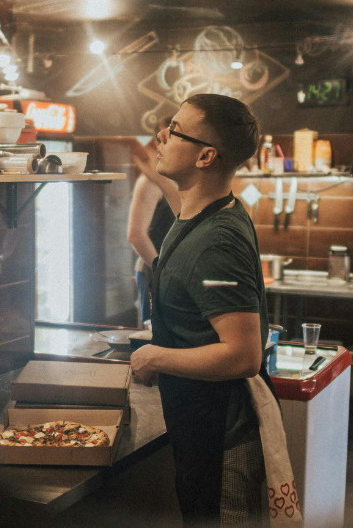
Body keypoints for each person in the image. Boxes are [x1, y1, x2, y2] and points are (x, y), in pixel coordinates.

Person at [129, 94, 269, 527]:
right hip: (199, 428)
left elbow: (243, 354)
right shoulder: (198, 213)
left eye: (175, 130)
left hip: (222, 438)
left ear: (207, 156)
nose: (161, 136)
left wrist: (155, 355)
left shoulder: (218, 240)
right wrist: (153, 169)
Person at [128, 114, 178, 328]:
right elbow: (136, 235)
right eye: (162, 138)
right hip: (154, 269)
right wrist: (161, 273)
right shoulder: (148, 182)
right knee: (155, 339)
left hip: (176, 274)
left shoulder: (176, 178)